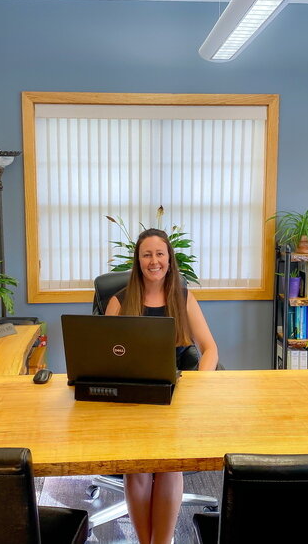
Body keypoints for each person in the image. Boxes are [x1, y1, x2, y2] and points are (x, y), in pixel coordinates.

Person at [105, 228, 218, 544]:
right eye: (146, 254)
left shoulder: (182, 297)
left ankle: (163, 541)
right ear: (138, 260)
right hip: (132, 399)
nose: (153, 261)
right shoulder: (119, 301)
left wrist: (200, 384)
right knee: (137, 467)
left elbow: (210, 349)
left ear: (169, 258)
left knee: (170, 464)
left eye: (159, 254)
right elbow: (103, 358)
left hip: (174, 398)